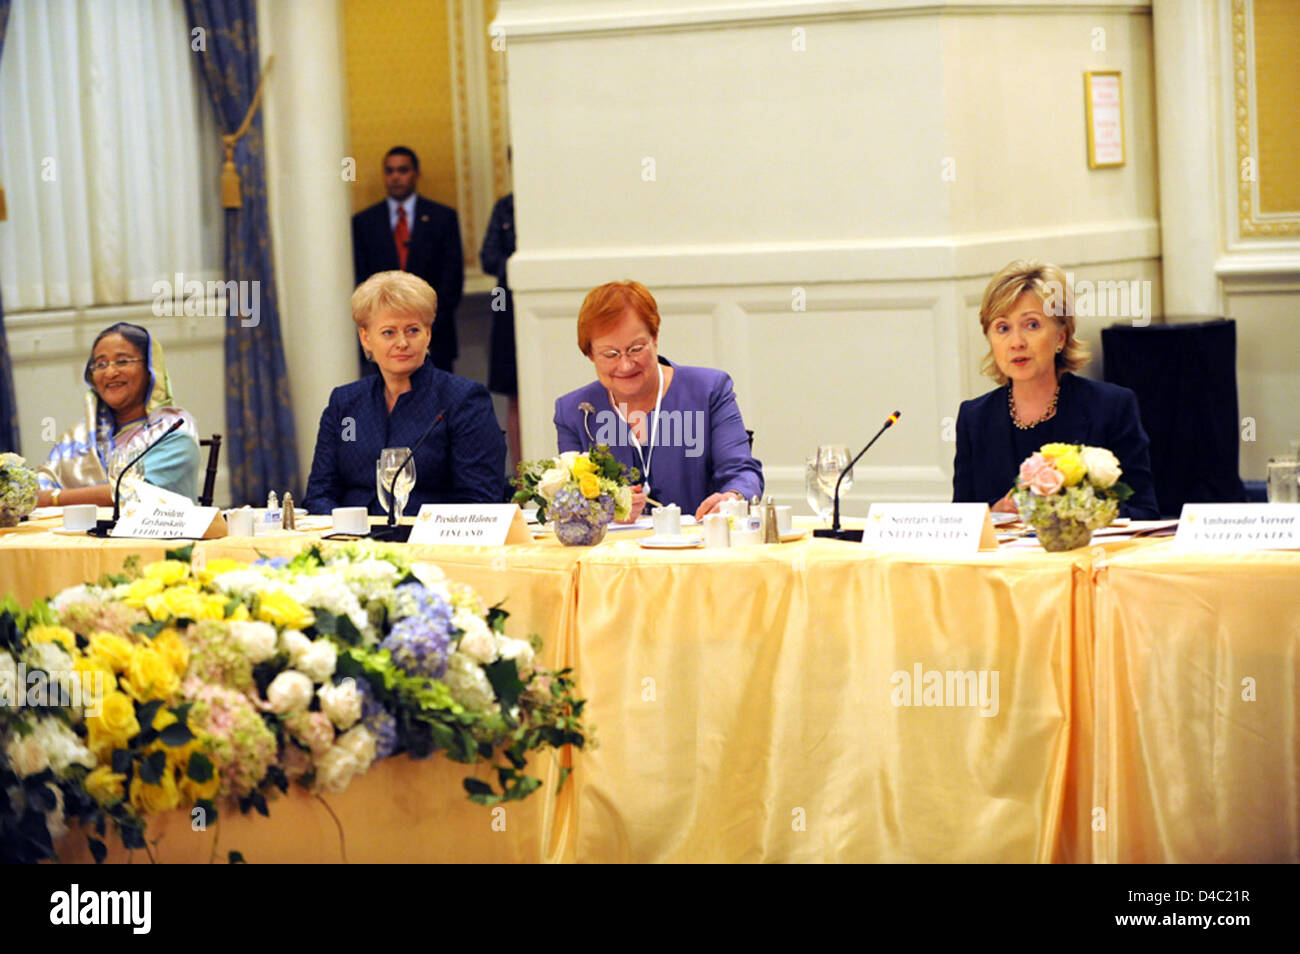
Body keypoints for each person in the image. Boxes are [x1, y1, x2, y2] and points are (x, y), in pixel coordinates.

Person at [952, 260, 1159, 518]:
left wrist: (1074, 511)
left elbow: (1144, 512)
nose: (1016, 342)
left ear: (1060, 337)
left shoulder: (1111, 407)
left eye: (1032, 325)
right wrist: (995, 514)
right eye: (1003, 328)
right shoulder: (974, 417)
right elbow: (960, 524)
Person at [554, 280, 763, 522]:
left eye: (636, 349)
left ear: (655, 338)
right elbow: (569, 501)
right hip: (612, 554)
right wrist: (604, 510)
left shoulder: (708, 391)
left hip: (698, 548)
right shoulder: (573, 411)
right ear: (590, 354)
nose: (625, 364)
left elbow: (742, 472)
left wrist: (732, 497)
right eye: (610, 354)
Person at [303, 271, 505, 515]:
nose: (402, 343)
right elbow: (320, 494)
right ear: (365, 338)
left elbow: (480, 500)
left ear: (428, 334)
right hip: (350, 542)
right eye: (389, 332)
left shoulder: (463, 400)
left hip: (430, 543)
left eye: (413, 331)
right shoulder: (345, 403)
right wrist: (348, 534)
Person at [36, 322, 200, 506]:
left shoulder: (173, 430)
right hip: (78, 533)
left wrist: (55, 498)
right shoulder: (78, 437)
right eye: (101, 364)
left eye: (122, 361)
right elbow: (40, 485)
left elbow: (136, 492)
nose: (110, 372)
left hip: (158, 533)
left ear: (150, 370)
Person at [352, 146, 463, 373]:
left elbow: (452, 278)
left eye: (403, 170)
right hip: (383, 340)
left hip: (435, 336)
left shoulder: (443, 218)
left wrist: (422, 326)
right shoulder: (364, 223)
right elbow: (361, 280)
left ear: (416, 174)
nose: (395, 177)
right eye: (389, 171)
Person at [480, 189, 520, 467]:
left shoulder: (557, 201)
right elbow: (488, 257)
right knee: (514, 398)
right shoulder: (506, 206)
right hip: (508, 308)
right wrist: (520, 266)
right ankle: (520, 478)